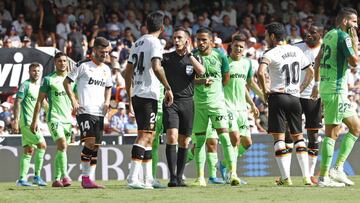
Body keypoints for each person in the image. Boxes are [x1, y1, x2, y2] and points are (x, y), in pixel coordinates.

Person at [257, 22, 314, 186]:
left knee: (279, 138)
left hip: (278, 96)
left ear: (273, 36)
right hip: (295, 98)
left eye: (267, 35)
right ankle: (306, 177)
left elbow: (260, 71)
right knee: (298, 136)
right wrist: (301, 88)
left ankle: (286, 178)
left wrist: (265, 89)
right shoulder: (296, 50)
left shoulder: (270, 53)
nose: (266, 38)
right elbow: (310, 71)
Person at [311, 7, 359, 187]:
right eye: (354, 21)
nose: (356, 25)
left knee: (356, 128)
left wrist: (316, 85)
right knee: (332, 132)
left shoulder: (329, 34)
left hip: (331, 89)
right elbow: (354, 63)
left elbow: (317, 60)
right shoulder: (344, 36)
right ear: (345, 21)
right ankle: (323, 177)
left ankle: (337, 169)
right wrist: (355, 43)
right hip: (335, 90)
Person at [124, 11, 173, 189]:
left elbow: (127, 72)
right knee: (144, 136)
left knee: (149, 136)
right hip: (147, 94)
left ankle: (148, 178)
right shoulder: (155, 42)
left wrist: (130, 93)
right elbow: (157, 67)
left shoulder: (137, 43)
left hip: (138, 93)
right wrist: (168, 87)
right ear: (162, 27)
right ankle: (132, 178)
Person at [191, 27, 239, 187]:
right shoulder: (192, 56)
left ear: (211, 41)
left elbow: (226, 78)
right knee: (199, 141)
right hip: (198, 105)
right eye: (198, 39)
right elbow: (188, 79)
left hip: (217, 104)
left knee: (225, 138)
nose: (201, 42)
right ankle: (200, 177)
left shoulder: (220, 55)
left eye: (204, 39)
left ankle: (233, 174)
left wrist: (215, 90)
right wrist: (201, 81)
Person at [63, 36, 112, 189]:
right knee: (90, 142)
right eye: (102, 52)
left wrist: (107, 101)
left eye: (107, 52)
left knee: (96, 146)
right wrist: (74, 101)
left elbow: (109, 87)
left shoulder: (106, 69)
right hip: (84, 110)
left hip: (99, 111)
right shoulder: (83, 65)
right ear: (94, 50)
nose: (105, 54)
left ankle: (90, 179)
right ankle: (85, 178)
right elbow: (67, 82)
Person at [162, 26, 205, 187]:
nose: (176, 40)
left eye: (180, 37)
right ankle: (172, 177)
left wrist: (189, 55)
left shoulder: (193, 58)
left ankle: (180, 177)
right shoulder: (166, 58)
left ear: (187, 40)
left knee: (185, 141)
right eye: (174, 38)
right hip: (171, 102)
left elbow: (201, 71)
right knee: (172, 136)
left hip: (188, 102)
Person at [220, 34, 264, 183]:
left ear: (244, 48)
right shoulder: (225, 63)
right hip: (227, 107)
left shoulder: (247, 63)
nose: (238, 49)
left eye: (241, 46)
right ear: (230, 46)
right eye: (236, 46)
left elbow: (248, 84)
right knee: (235, 139)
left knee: (247, 143)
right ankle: (232, 174)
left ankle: (225, 163)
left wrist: (256, 101)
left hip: (242, 109)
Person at [30, 52, 73, 187]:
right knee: (62, 144)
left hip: (68, 119)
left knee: (62, 149)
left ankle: (56, 178)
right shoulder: (48, 79)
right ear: (55, 63)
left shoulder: (72, 79)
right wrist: (34, 120)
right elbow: (39, 101)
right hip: (54, 118)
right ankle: (66, 177)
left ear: (67, 63)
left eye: (64, 61)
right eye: (59, 61)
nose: (62, 63)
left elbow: (76, 97)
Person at [291, 25, 323, 184]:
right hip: (295, 95)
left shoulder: (325, 49)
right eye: (308, 32)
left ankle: (310, 174)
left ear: (321, 34)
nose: (309, 35)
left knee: (313, 134)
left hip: (314, 97)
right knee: (291, 134)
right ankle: (285, 174)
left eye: (313, 32)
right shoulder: (296, 47)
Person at [13, 63, 47, 187]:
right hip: (27, 122)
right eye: (34, 71)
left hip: (33, 122)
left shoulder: (39, 87)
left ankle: (22, 179)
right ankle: (37, 177)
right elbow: (17, 102)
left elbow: (44, 104)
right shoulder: (25, 85)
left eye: (38, 71)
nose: (36, 73)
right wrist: (15, 120)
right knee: (42, 145)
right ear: (29, 72)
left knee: (28, 150)